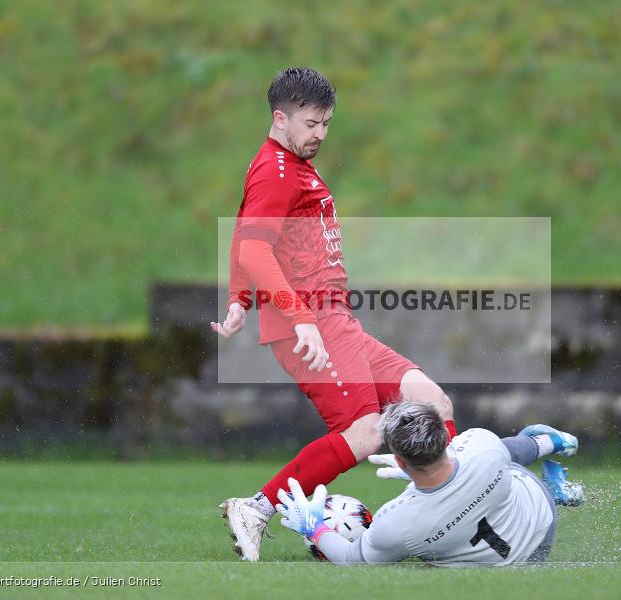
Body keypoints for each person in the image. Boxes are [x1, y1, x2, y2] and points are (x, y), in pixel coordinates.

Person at [210, 67, 456, 561]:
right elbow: (254, 250)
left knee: (433, 403)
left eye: (326, 123)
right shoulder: (278, 170)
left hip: (336, 321)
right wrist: (299, 317)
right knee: (365, 431)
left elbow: (245, 230)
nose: (320, 133)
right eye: (309, 123)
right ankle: (256, 508)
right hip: (310, 327)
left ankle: (446, 514)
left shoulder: (289, 164)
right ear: (280, 119)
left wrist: (239, 300)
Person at [276, 402, 584, 567]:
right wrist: (547, 441)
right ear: (447, 439)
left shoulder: (396, 523)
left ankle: (553, 460)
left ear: (400, 462)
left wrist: (314, 527)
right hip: (541, 517)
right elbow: (519, 450)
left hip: (508, 568)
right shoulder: (481, 443)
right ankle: (554, 451)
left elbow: (351, 559)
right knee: (513, 451)